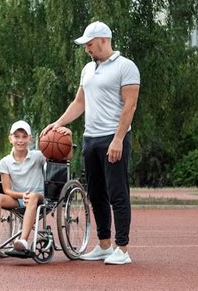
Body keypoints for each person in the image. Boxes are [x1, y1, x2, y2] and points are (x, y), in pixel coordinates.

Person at [41, 21, 140, 265]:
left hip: (113, 138)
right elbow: (79, 103)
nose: (87, 48)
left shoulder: (125, 67)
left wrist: (118, 138)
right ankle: (104, 245)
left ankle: (122, 249)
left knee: (117, 193)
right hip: (90, 138)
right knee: (96, 194)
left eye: (90, 43)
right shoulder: (87, 69)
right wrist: (58, 123)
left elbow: (130, 105)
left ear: (104, 40)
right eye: (85, 44)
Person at [0, 120, 72, 260]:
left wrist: (69, 137)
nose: (20, 140)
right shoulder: (5, 161)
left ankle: (23, 241)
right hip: (18, 198)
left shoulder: (38, 156)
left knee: (32, 196)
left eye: (24, 137)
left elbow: (66, 158)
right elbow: (6, 190)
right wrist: (21, 195)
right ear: (10, 138)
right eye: (17, 136)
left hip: (39, 197)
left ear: (30, 139)